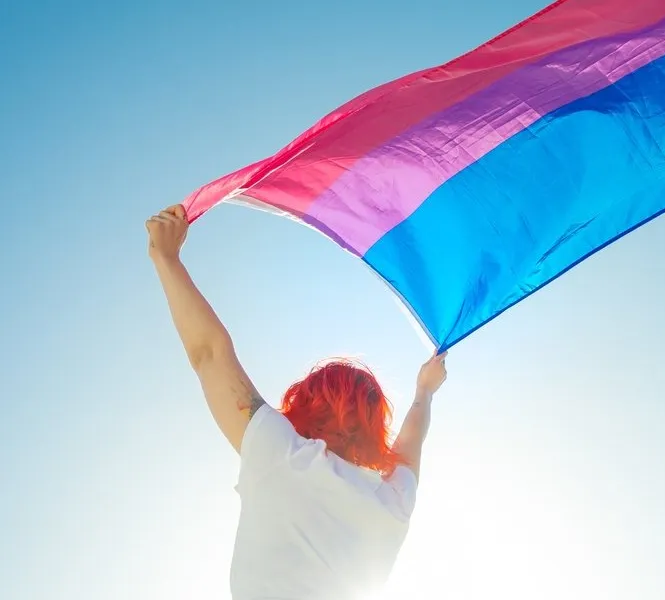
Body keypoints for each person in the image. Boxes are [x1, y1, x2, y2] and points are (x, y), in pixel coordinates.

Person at [146, 204, 445, 599]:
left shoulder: (284, 453)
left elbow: (210, 355)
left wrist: (166, 258)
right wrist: (424, 391)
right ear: (373, 427)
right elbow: (408, 449)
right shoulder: (390, 503)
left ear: (305, 403)